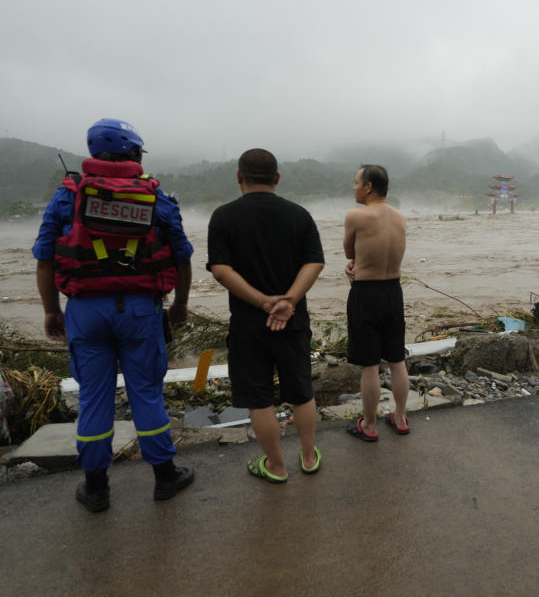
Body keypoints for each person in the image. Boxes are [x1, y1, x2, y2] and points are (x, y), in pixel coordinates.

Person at [32, 118, 195, 512]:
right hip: (140, 309)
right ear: (135, 154)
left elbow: (45, 261)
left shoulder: (67, 198)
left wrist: (52, 311)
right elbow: (182, 257)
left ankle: (96, 487)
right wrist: (179, 305)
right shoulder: (156, 198)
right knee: (146, 393)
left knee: (93, 397)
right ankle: (164, 478)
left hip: (85, 312)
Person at [207, 148, 324, 482]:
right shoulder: (299, 214)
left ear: (239, 176)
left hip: (248, 325)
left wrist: (262, 302)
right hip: (294, 321)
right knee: (301, 391)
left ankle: (276, 466)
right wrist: (289, 300)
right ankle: (308, 455)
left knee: (259, 399)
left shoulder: (223, 216)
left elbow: (220, 270)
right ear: (277, 178)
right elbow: (314, 262)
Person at [343, 165, 410, 441]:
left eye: (357, 182)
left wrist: (353, 265)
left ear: (369, 187)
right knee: (396, 359)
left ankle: (369, 425)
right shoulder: (400, 217)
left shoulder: (356, 216)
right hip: (393, 291)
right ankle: (401, 417)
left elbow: (350, 252)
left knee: (369, 365)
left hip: (366, 293)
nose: (354, 187)